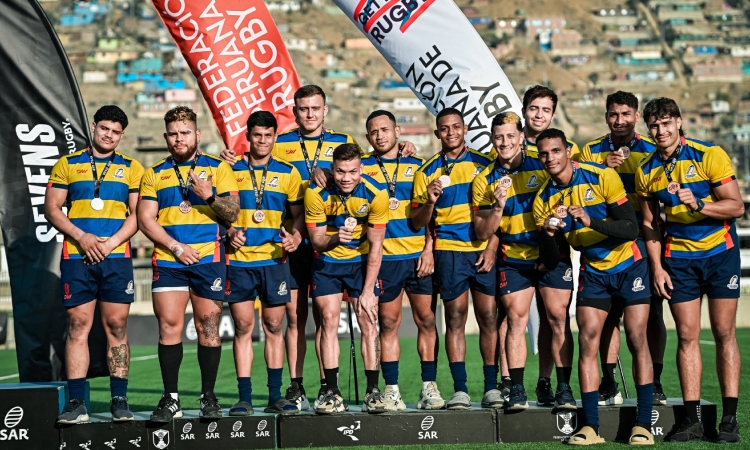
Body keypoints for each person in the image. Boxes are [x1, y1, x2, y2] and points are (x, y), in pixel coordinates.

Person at [534, 128, 654, 445]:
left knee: (637, 337)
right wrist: (546, 234)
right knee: (587, 340)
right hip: (593, 271)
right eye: (544, 154)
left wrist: (590, 221)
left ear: (567, 152)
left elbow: (630, 228)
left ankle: (643, 424)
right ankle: (591, 427)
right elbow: (548, 258)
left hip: (630, 264)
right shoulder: (544, 199)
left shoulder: (601, 176)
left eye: (555, 151)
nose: (550, 158)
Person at [636, 97, 743, 443]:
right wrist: (656, 268)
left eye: (667, 123)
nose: (661, 130)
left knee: (725, 333)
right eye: (654, 125)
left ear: (679, 122)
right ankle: (692, 419)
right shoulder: (646, 170)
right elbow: (651, 225)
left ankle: (729, 419)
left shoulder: (708, 155)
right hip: (678, 261)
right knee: (686, 336)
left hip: (720, 254)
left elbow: (736, 206)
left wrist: (700, 204)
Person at [138, 106, 239, 421]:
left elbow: (233, 213)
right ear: (166, 137)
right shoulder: (154, 173)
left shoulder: (219, 169)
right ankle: (171, 399)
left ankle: (208, 397)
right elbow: (145, 218)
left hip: (208, 259)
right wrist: (175, 246)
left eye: (185, 133)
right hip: (170, 259)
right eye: (173, 134)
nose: (179, 138)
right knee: (169, 327)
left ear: (197, 134)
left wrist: (208, 196)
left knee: (207, 328)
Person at [472, 112, 576, 411]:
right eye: (498, 137)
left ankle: (561, 387)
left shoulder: (542, 167)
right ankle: (516, 389)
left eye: (509, 136)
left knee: (556, 319)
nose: (504, 142)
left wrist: (550, 251)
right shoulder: (484, 179)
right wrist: (498, 206)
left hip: (552, 256)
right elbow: (482, 231)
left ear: (521, 138)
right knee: (516, 320)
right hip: (514, 258)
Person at [47, 105, 143, 423]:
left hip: (115, 258)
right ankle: (77, 403)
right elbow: (53, 208)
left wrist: (110, 243)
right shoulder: (68, 164)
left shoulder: (132, 168)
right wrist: (82, 237)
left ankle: (119, 400)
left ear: (122, 135)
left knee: (117, 327)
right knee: (77, 328)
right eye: (104, 128)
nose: (109, 135)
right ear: (93, 127)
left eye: (115, 132)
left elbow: (137, 216)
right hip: (77, 257)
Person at [580, 91, 668, 407]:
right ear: (606, 116)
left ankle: (654, 382)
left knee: (651, 313)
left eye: (626, 114)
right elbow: (577, 189)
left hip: (643, 242)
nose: (620, 121)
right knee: (608, 315)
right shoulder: (589, 152)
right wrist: (604, 168)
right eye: (614, 114)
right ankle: (608, 381)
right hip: (603, 245)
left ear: (635, 116)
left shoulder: (651, 150)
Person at [411, 108, 500, 410]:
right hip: (448, 251)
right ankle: (460, 390)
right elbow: (417, 221)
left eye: (456, 127)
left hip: (481, 248)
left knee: (489, 316)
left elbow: (502, 212)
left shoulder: (485, 165)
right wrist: (429, 200)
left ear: (465, 129)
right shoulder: (427, 171)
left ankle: (491, 387)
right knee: (455, 318)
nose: (451, 133)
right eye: (445, 128)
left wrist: (490, 248)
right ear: (437, 133)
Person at [224, 111, 304, 416]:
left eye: (268, 135)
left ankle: (275, 395)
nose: (262, 140)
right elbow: (222, 211)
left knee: (274, 325)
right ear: (248, 135)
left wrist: (295, 237)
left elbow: (298, 214)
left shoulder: (287, 172)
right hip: (240, 261)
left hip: (274, 260)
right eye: (257, 135)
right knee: (243, 327)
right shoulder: (229, 169)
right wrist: (230, 232)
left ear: (275, 137)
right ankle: (244, 397)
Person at [360, 110, 440, 411]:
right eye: (373, 131)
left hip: (418, 256)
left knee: (427, 321)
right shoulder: (362, 167)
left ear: (397, 130)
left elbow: (433, 214)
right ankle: (391, 390)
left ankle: (429, 387)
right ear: (368, 137)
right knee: (389, 323)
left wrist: (429, 248)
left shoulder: (418, 166)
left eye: (384, 129)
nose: (379, 135)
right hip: (385, 260)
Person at [305, 143, 389, 414]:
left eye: (352, 171)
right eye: (340, 171)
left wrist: (366, 292)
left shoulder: (376, 193)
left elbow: (377, 246)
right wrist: (334, 239)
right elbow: (317, 242)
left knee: (368, 318)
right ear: (332, 170)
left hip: (361, 262)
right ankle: (331, 391)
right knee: (328, 319)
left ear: (361, 170)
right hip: (327, 262)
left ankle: (373, 391)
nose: (346, 178)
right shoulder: (316, 192)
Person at [520, 85, 581, 403]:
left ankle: (555, 384)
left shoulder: (564, 149)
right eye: (534, 108)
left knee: (554, 317)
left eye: (545, 110)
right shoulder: (510, 148)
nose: (539, 114)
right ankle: (509, 385)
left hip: (554, 250)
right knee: (512, 320)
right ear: (525, 109)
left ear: (553, 115)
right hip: (516, 251)